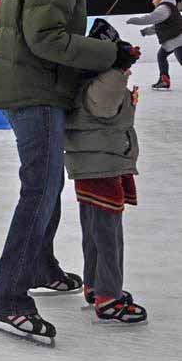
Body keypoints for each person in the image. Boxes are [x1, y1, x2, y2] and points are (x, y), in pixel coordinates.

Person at [0, 0, 137, 342]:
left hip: (27, 89)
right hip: (36, 93)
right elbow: (46, 38)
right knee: (40, 190)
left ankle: (40, 266)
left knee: (45, 189)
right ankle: (7, 300)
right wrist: (109, 52)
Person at [65, 19, 147, 326]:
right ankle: (109, 297)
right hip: (101, 164)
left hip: (91, 163)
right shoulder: (101, 81)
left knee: (95, 230)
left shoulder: (79, 79)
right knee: (109, 234)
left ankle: (95, 285)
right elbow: (103, 106)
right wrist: (118, 69)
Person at [126, 0, 182, 90]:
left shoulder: (164, 8)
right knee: (161, 55)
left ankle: (164, 80)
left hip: (177, 39)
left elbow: (150, 18)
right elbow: (159, 26)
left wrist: (134, 20)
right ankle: (164, 79)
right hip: (175, 39)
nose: (152, 2)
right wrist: (146, 31)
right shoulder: (169, 7)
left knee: (164, 56)